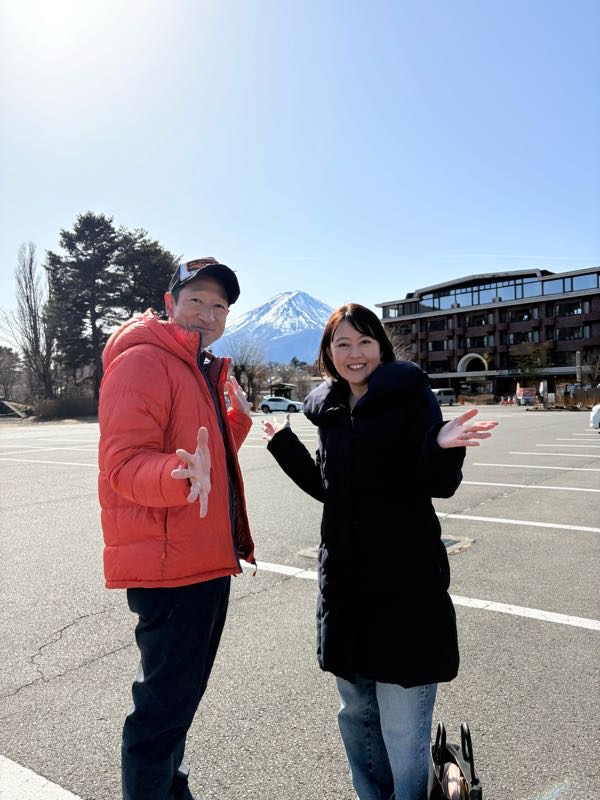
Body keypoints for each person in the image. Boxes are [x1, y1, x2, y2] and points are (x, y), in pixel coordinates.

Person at [262, 303, 497, 800]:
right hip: (346, 586)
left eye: (364, 341)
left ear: (381, 348)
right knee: (359, 716)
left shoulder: (409, 396)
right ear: (328, 353)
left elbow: (438, 484)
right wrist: (283, 443)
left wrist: (442, 446)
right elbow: (329, 488)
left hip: (404, 585)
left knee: (403, 724)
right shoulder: (329, 410)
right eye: (342, 343)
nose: (355, 353)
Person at [98, 257, 255, 800]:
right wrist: (174, 473)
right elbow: (123, 465)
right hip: (171, 570)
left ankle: (170, 788)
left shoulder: (195, 365)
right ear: (170, 304)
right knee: (161, 713)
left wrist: (234, 424)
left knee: (178, 705)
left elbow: (200, 462)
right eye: (196, 301)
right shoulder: (144, 361)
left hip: (201, 561)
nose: (207, 314)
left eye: (219, 306)